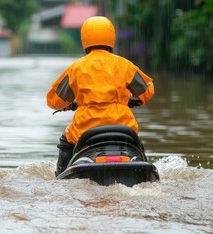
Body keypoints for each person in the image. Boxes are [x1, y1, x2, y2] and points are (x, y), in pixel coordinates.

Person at [46, 16, 155, 176]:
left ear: (85, 39)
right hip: (123, 127)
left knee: (65, 140)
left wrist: (67, 105)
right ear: (111, 37)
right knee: (136, 142)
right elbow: (147, 91)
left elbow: (54, 100)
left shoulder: (76, 68)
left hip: (84, 129)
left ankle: (60, 178)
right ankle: (141, 168)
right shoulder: (124, 65)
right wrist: (134, 100)